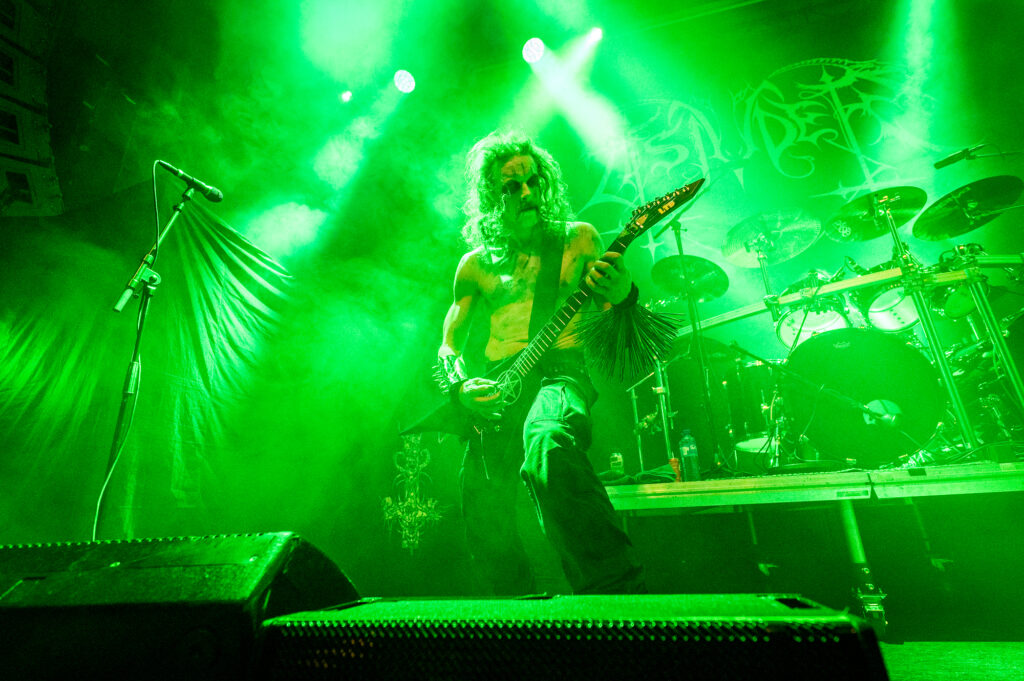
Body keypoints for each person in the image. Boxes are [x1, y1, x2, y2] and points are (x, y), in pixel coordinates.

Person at [435, 130, 654, 595]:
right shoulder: (475, 264)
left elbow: (615, 330)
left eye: (533, 181)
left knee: (548, 440)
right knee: (479, 494)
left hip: (559, 373)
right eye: (511, 186)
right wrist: (460, 387)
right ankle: (512, 612)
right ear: (490, 195)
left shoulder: (578, 240)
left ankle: (616, 591)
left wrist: (623, 294)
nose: (527, 192)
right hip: (498, 386)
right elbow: (449, 346)